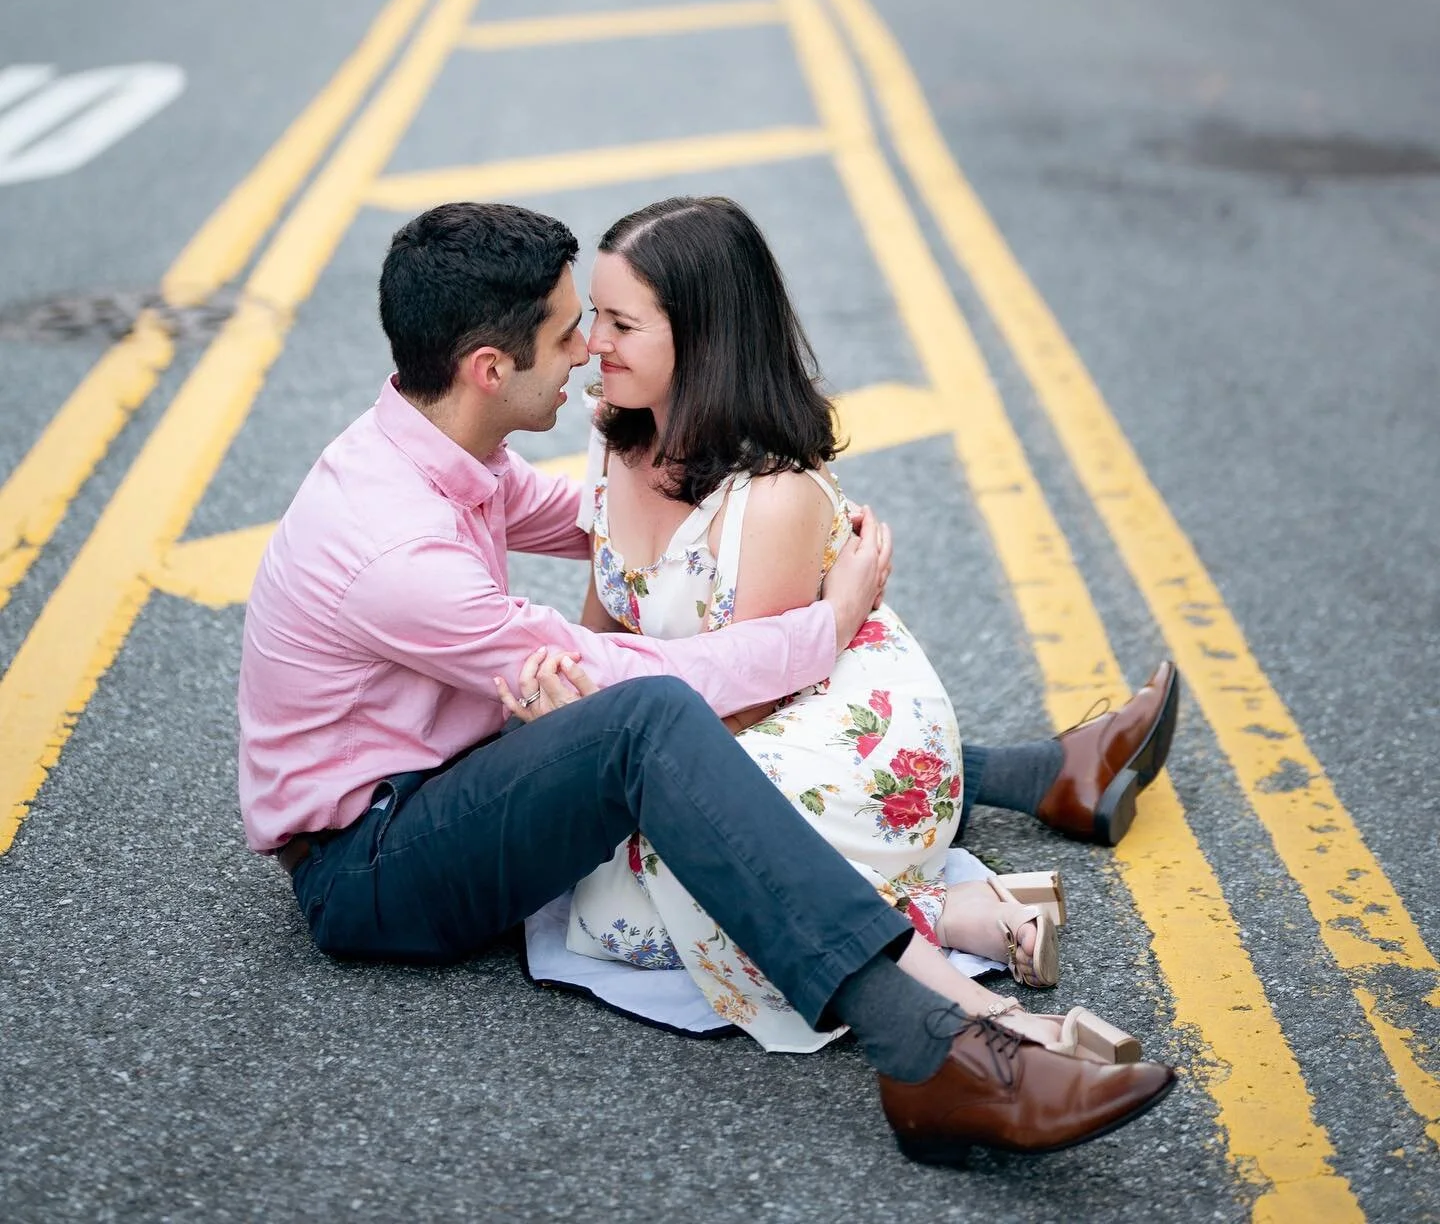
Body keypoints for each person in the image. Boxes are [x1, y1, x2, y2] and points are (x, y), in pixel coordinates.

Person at [238, 201, 1175, 1164]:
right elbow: (632, 673)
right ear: (490, 368)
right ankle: (932, 1047)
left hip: (447, 776)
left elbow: (600, 523)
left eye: (601, 325)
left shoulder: (438, 449)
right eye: (569, 336)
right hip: (371, 862)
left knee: (685, 721)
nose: (588, 352)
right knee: (651, 723)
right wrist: (826, 625)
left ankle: (1039, 777)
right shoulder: (396, 549)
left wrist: (729, 495)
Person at [507, 195, 1177, 1059]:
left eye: (621, 323)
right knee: (609, 878)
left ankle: (951, 930)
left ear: (703, 335)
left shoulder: (774, 497)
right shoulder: (613, 432)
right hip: (699, 724)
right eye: (596, 315)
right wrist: (575, 694)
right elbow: (605, 623)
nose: (594, 342)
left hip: (828, 731)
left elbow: (745, 704)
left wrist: (589, 739)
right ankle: (970, 908)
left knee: (629, 899)